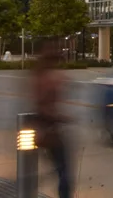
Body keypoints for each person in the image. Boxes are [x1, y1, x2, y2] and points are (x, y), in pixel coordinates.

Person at [32, 40, 73, 198]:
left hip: (46, 128)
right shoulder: (46, 78)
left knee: (60, 169)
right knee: (63, 172)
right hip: (49, 130)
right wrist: (62, 118)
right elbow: (43, 106)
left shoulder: (40, 74)